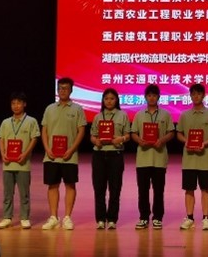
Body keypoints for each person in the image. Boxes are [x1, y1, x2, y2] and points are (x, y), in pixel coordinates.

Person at [40, 76, 87, 230]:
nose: (63, 91)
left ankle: (67, 217)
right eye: (60, 88)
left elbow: (81, 131)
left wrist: (71, 150)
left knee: (70, 185)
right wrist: (47, 148)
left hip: (69, 156)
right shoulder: (49, 108)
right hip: (51, 156)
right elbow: (44, 130)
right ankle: (53, 217)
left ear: (71, 90)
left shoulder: (77, 109)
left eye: (66, 88)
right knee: (52, 185)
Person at [131, 83, 176, 229]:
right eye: (149, 95)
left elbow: (171, 132)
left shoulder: (165, 114)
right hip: (143, 158)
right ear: (145, 97)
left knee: (158, 190)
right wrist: (140, 141)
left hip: (159, 158)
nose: (151, 98)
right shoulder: (139, 115)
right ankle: (144, 217)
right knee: (142, 190)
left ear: (158, 97)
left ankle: (157, 217)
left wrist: (162, 140)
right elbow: (133, 133)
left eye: (154, 95)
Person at [176, 82, 208, 230]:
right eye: (193, 94)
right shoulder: (184, 115)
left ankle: (206, 218)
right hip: (189, 159)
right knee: (189, 189)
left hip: (205, 158)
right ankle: (189, 218)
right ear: (190, 96)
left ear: (203, 95)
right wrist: (186, 141)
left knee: (205, 189)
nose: (196, 96)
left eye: (199, 94)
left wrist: (204, 143)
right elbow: (179, 133)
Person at [0, 91, 41, 229]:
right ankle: (7, 217)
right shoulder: (5, 122)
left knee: (24, 193)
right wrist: (3, 154)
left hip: (23, 164)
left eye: (19, 103)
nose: (16, 106)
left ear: (24, 104)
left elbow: (34, 139)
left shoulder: (31, 121)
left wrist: (25, 154)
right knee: (7, 193)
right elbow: (1, 139)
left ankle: (24, 218)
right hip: (8, 164)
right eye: (13, 103)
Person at [90, 87, 130, 230]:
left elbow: (128, 135)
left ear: (117, 100)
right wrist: (96, 141)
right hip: (99, 155)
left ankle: (112, 219)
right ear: (103, 100)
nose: (109, 101)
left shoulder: (123, 115)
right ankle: (100, 219)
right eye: (106, 98)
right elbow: (92, 136)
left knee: (115, 188)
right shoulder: (98, 116)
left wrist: (121, 139)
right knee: (99, 188)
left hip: (115, 154)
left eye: (112, 98)